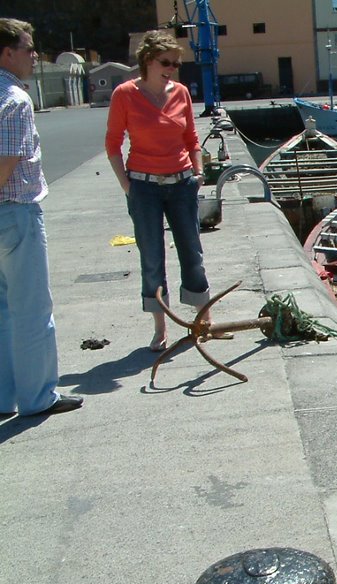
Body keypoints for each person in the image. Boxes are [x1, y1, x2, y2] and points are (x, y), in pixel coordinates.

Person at [105, 30, 216, 352]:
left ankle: (203, 319)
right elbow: (112, 144)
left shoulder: (180, 92)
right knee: (152, 257)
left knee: (192, 253)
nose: (172, 68)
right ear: (148, 60)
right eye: (166, 62)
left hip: (181, 183)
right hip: (144, 187)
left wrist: (198, 173)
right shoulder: (125, 95)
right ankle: (160, 327)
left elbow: (192, 140)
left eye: (176, 63)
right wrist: (127, 186)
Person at [0, 18, 83, 417]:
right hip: (15, 213)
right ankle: (38, 398)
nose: (35, 55)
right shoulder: (14, 100)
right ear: (7, 53)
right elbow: (7, 163)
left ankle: (4, 396)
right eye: (28, 48)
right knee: (32, 310)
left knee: (1, 310)